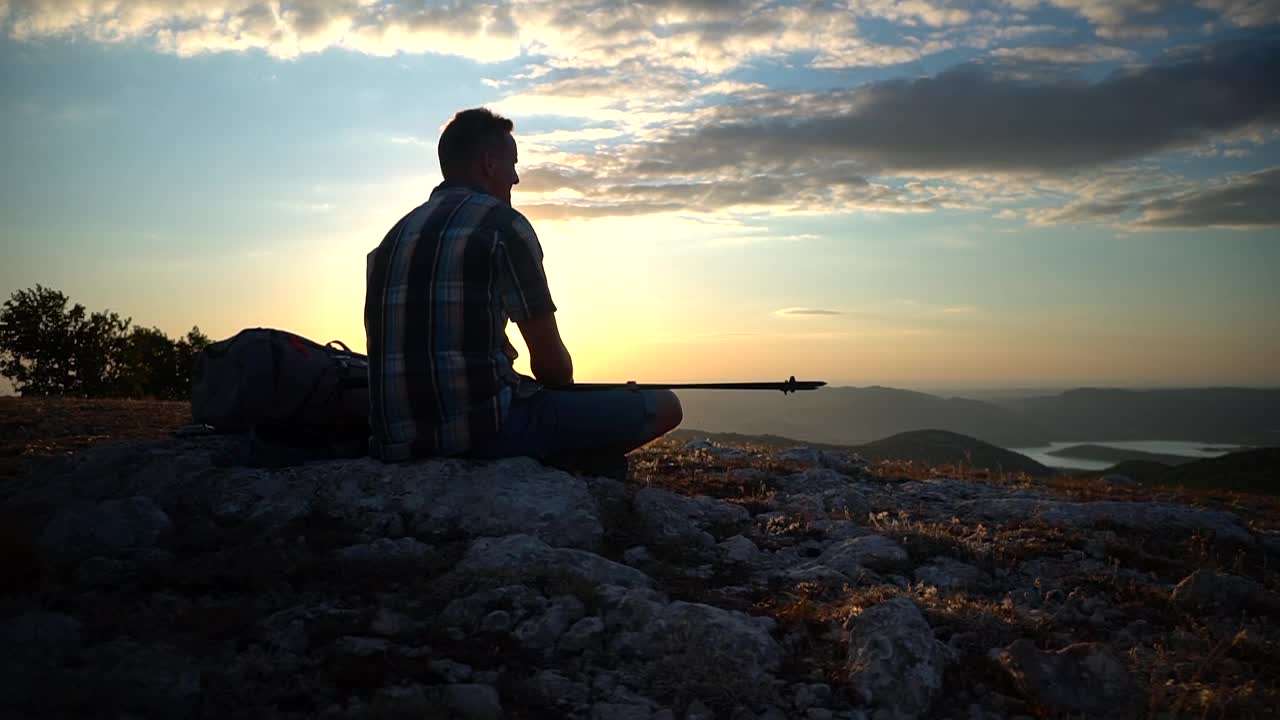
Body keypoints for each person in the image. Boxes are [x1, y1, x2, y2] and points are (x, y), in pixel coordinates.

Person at [364, 107, 681, 476]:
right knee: (664, 405)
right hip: (486, 434)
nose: (515, 178)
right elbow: (551, 366)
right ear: (489, 164)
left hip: (396, 443)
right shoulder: (502, 226)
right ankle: (568, 464)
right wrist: (582, 396)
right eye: (513, 164)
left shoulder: (392, 238)